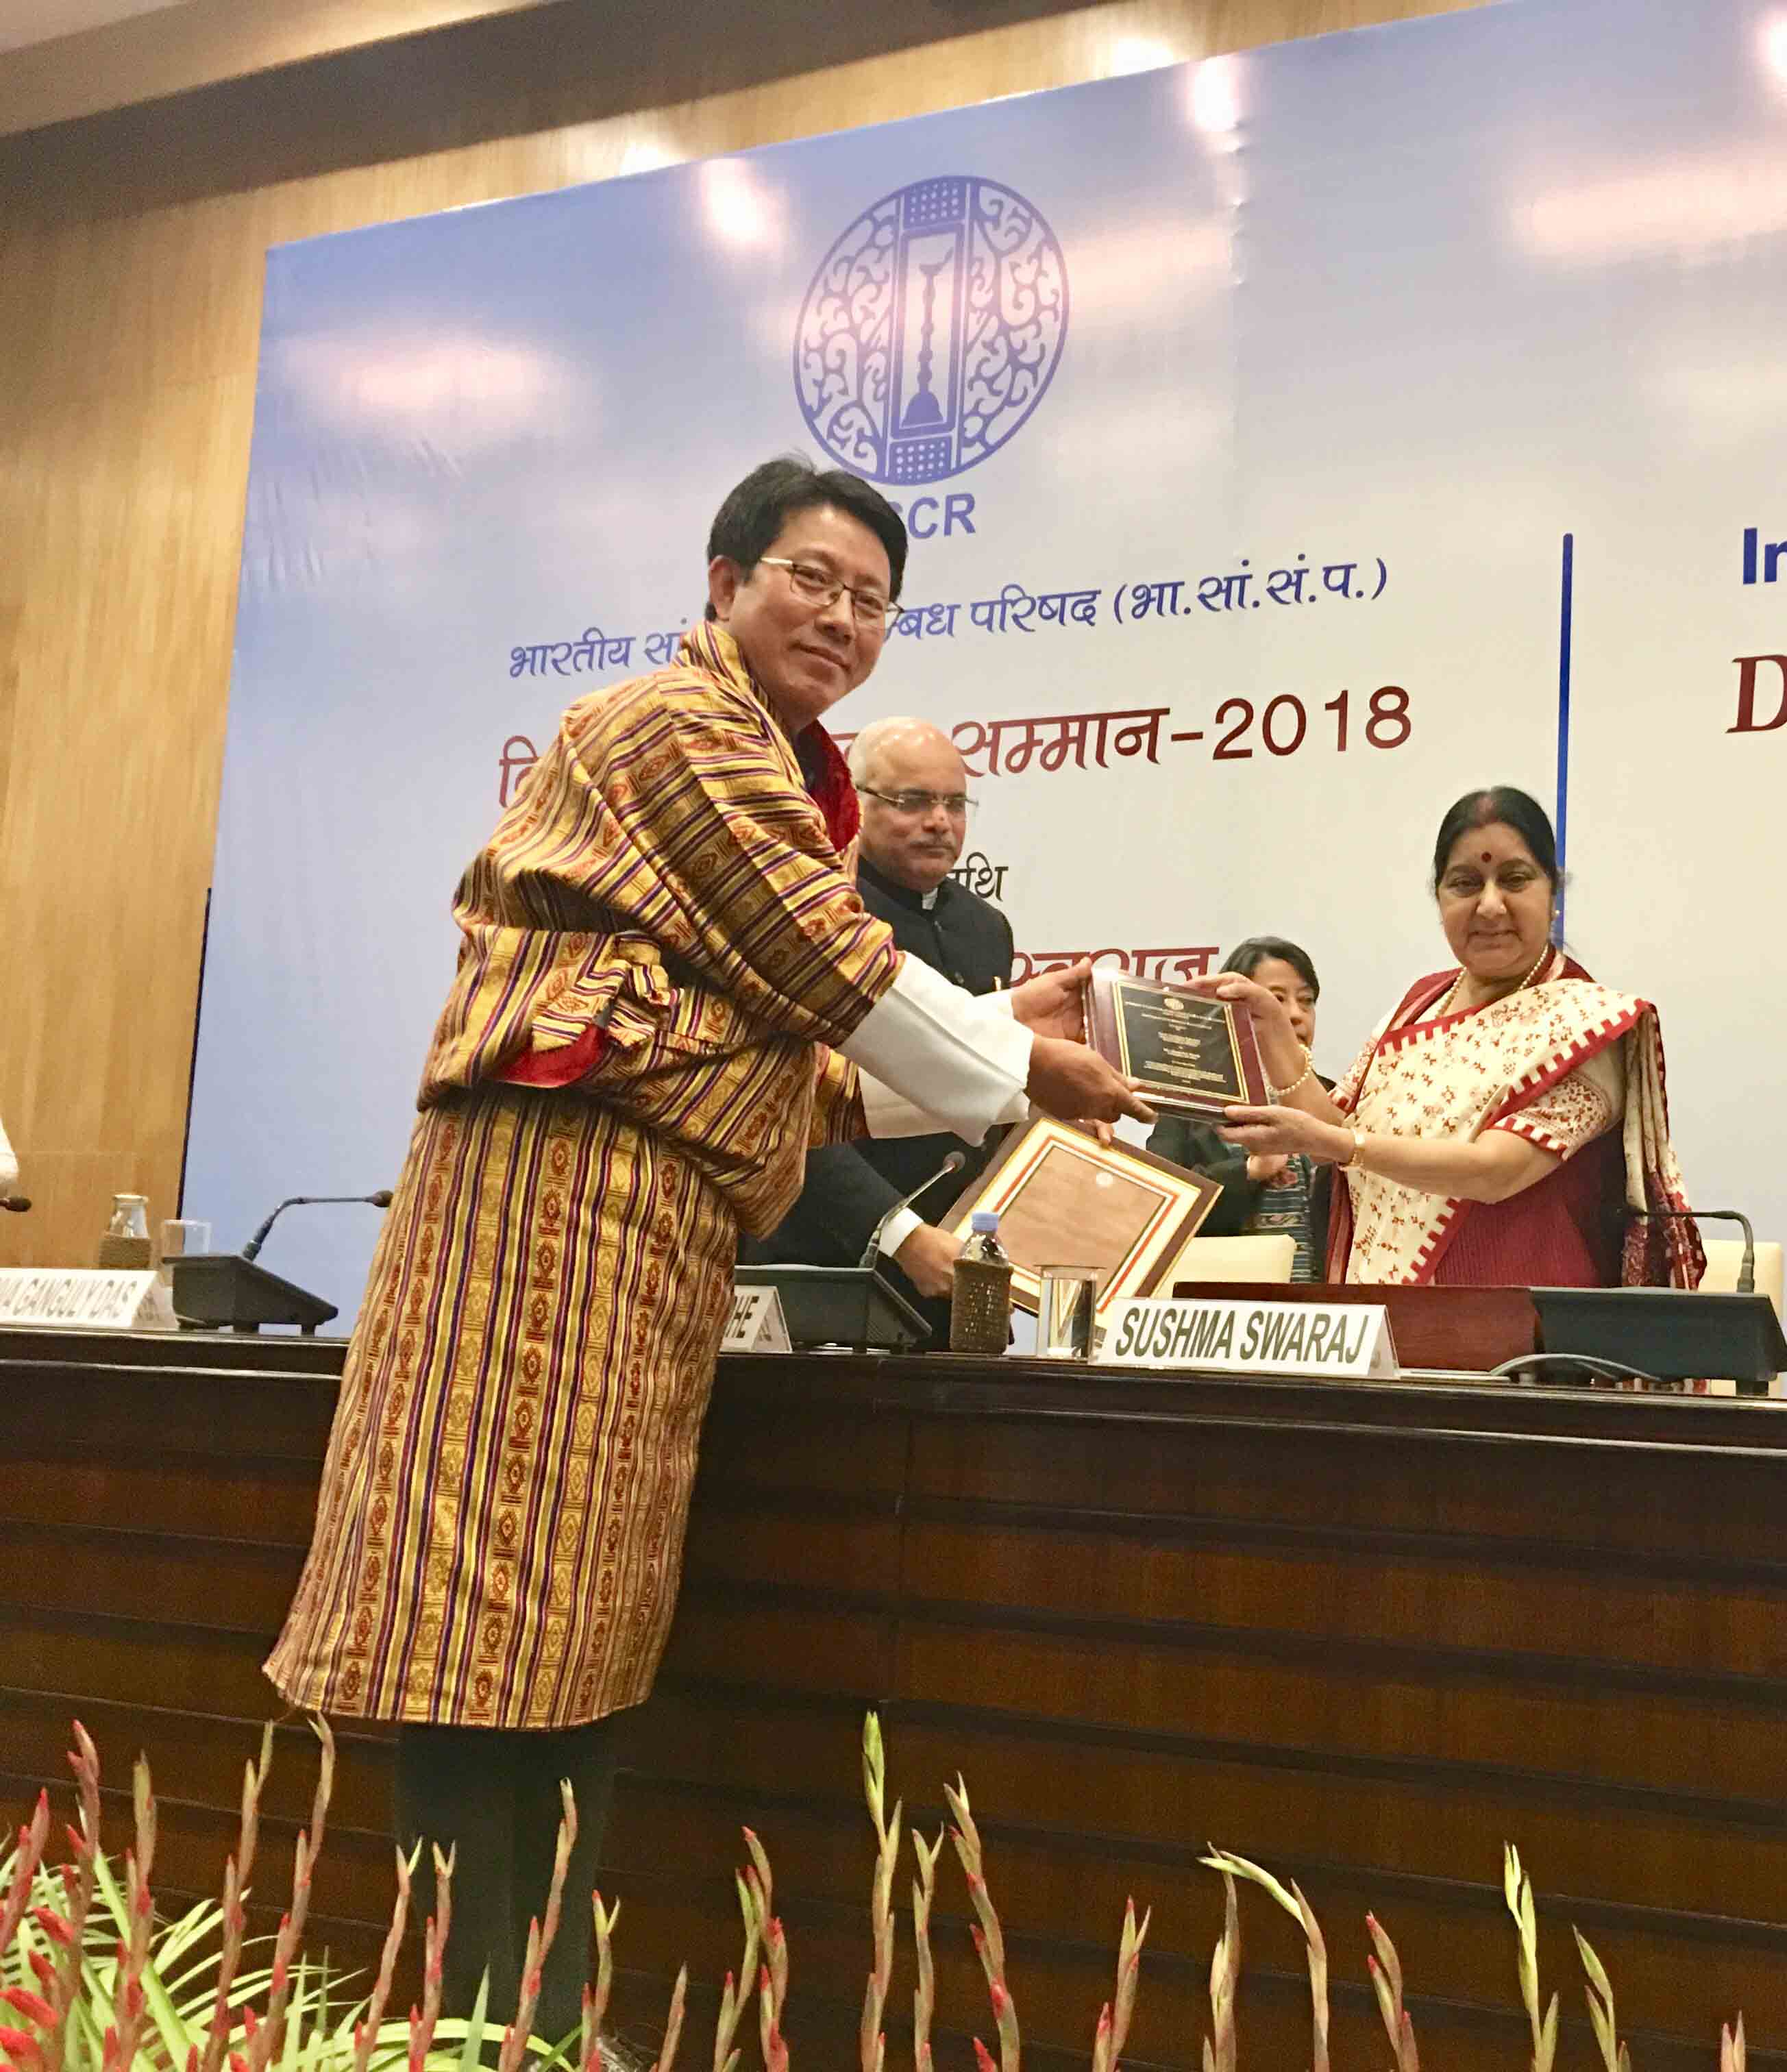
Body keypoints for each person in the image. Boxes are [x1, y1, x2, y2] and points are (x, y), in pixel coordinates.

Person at [262, 458, 1146, 2037]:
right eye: (815, 578)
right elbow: (823, 962)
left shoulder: (777, 771)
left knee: (570, 1649)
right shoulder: (678, 727)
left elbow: (793, 1063)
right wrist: (1025, 1066)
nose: (843, 616)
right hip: (539, 1224)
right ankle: (466, 2031)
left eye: (873, 599)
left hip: (643, 1251)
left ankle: (536, 2024)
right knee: (484, 1644)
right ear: (727, 579)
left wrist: (995, 1027)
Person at [1212, 787, 1702, 1289]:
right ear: (1440, 898)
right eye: (1465, 883)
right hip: (1388, 1318)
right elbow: (1330, 1137)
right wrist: (1272, 1030)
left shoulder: (1588, 1024)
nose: (1489, 906)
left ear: (1553, 894)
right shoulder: (1419, 1004)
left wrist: (1335, 1142)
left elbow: (1494, 1172)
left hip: (1526, 1323)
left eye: (1514, 879)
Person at [743, 717, 1012, 1316]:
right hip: (822, 1260)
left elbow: (979, 1083)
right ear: (854, 803)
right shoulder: (814, 913)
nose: (939, 822)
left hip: (951, 1268)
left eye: (954, 804)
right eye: (912, 801)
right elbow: (781, 1101)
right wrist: (899, 1234)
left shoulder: (985, 928)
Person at [1148, 937, 1332, 1280]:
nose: (1295, 1015)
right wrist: (1247, 1171)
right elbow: (1159, 1208)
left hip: (1329, 1303)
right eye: (1276, 999)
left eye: (1306, 1001)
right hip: (1226, 1301)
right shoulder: (1189, 1105)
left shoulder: (1335, 1100)